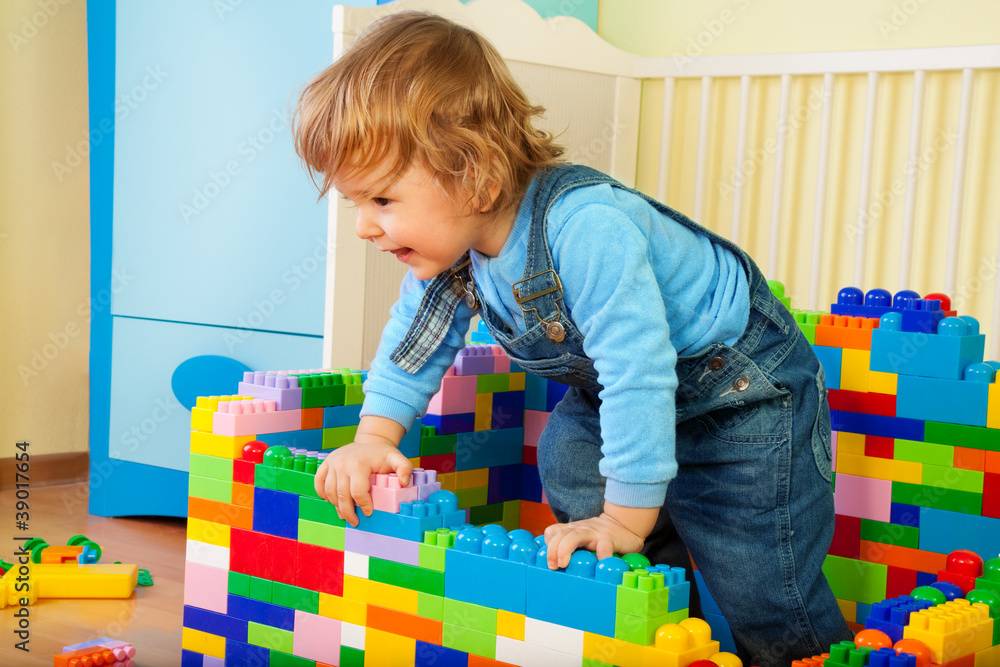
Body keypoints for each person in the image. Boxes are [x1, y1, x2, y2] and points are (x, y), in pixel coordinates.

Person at [293, 10, 851, 666]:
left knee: (760, 576)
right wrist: (373, 439)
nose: (364, 226)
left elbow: (637, 370)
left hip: (742, 392)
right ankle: (672, 631)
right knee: (568, 454)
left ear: (474, 173)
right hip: (630, 393)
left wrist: (623, 520)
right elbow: (412, 346)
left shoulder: (587, 228)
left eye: (381, 200)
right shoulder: (454, 255)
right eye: (356, 203)